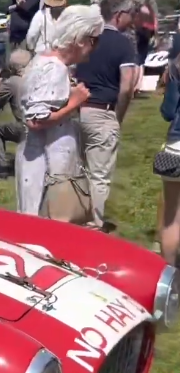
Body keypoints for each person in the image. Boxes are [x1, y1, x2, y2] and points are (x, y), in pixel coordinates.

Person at [16, 5, 102, 217]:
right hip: (45, 167)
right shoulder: (54, 68)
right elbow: (35, 121)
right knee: (43, 222)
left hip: (42, 163)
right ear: (80, 38)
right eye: (94, 40)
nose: (95, 47)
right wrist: (75, 101)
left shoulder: (45, 61)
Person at [74, 0, 138, 229]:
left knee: (79, 168)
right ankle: (93, 223)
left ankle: (75, 213)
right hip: (103, 111)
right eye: (132, 14)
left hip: (78, 110)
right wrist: (118, 115)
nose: (134, 19)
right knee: (99, 174)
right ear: (120, 14)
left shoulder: (86, 39)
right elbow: (127, 86)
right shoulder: (123, 44)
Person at [0, 49, 31, 177]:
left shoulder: (13, 82)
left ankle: (1, 167)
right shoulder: (40, 77)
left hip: (27, 127)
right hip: (47, 125)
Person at [156, 45, 180, 265]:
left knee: (172, 217)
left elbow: (169, 112)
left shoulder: (176, 67)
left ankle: (170, 275)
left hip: (176, 145)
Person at [133, 0, 157, 94]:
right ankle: (138, 86)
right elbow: (155, 23)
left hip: (140, 31)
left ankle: (133, 86)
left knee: (135, 60)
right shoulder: (150, 8)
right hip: (148, 33)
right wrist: (155, 35)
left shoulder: (139, 8)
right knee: (141, 61)